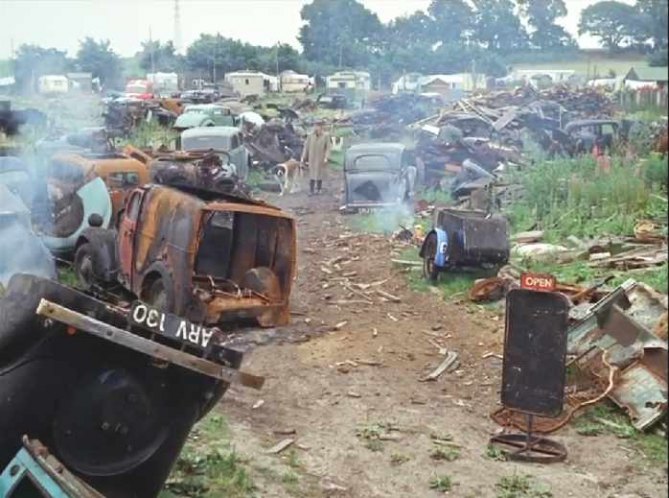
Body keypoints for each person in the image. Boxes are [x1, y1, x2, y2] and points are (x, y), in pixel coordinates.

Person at [301, 119, 331, 196]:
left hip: (320, 157)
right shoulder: (310, 136)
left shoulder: (325, 136)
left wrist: (326, 157)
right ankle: (311, 190)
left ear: (321, 127)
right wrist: (303, 158)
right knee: (311, 174)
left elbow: (328, 148)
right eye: (315, 126)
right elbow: (306, 147)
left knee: (319, 174)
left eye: (318, 126)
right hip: (312, 157)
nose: (316, 127)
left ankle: (319, 189)